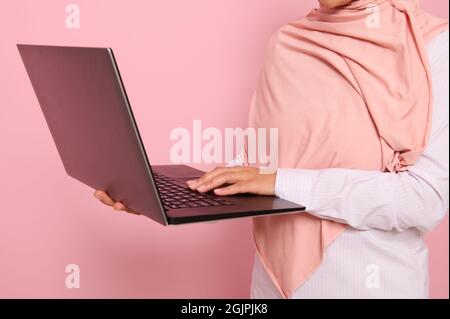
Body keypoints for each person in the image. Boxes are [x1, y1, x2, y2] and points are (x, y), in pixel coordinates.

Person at [94, 0, 449, 298]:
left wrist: (280, 181)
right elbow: (257, 165)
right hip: (270, 287)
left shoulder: (434, 47)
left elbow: (425, 199)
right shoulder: (288, 43)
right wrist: (163, 195)